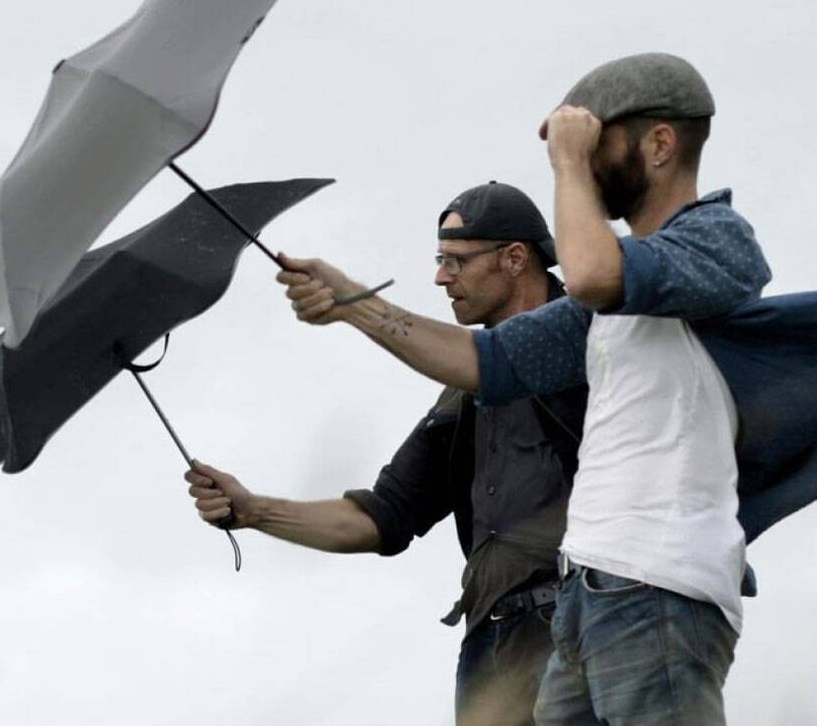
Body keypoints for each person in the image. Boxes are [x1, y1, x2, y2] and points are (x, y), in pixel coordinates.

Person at [277, 53, 774, 724]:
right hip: (586, 593)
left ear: (659, 144)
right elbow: (485, 361)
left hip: (658, 583)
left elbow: (593, 274)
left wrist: (567, 165)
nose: (583, 161)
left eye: (598, 143)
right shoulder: (604, 309)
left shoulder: (715, 240)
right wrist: (351, 300)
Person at [186, 182, 588, 725]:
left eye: (455, 260)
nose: (441, 277)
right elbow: (383, 517)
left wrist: (353, 302)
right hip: (490, 648)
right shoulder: (463, 393)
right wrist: (253, 511)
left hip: (580, 626)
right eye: (439, 260)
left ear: (515, 259)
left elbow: (495, 359)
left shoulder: (591, 337)